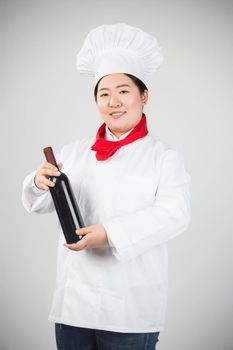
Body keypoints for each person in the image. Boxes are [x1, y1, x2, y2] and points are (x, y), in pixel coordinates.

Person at [22, 23, 191, 350]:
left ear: (144, 95)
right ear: (95, 100)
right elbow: (42, 204)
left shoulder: (164, 157)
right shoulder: (73, 152)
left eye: (124, 91)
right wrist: (38, 182)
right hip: (74, 307)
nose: (114, 101)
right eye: (104, 93)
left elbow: (175, 214)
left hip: (130, 308)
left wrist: (109, 234)